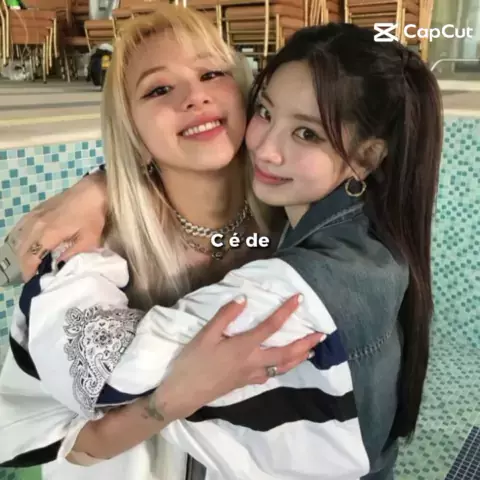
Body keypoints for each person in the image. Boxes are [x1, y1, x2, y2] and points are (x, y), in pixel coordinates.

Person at [2, 19, 443, 480]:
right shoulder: (90, 247)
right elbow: (63, 439)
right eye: (159, 89)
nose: (195, 96)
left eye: (211, 73)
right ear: (132, 130)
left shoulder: (299, 223)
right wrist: (167, 403)